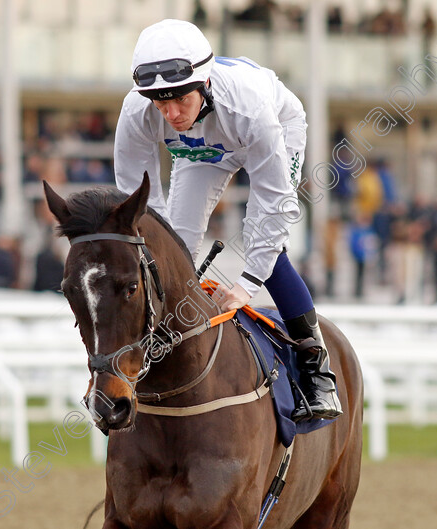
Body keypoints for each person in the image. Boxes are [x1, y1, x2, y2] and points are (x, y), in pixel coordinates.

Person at [114, 19, 341, 421]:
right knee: (172, 249)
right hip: (204, 147)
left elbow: (274, 206)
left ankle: (316, 371)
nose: (170, 114)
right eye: (159, 103)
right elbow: (140, 206)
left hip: (273, 130)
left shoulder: (248, 107)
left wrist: (246, 285)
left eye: (180, 100)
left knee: (263, 244)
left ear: (202, 85)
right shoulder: (137, 111)